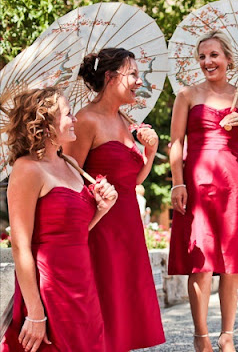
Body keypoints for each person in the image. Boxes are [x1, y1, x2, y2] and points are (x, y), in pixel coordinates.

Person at [63, 48, 165, 351]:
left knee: (123, 306)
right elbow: (69, 176)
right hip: (101, 228)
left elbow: (132, 180)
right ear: (110, 77)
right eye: (132, 73)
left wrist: (150, 149)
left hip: (128, 226)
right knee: (105, 302)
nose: (139, 80)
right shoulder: (85, 121)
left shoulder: (125, 119)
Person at [1, 88, 117, 352]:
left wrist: (102, 208)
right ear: (45, 124)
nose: (75, 119)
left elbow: (76, 232)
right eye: (68, 114)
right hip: (51, 288)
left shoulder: (71, 165)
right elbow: (20, 246)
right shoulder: (27, 169)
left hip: (83, 284)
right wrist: (35, 312)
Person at [168, 30, 238, 352]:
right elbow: (176, 142)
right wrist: (177, 182)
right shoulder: (186, 95)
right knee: (201, 259)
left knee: (232, 262)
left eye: (214, 55)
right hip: (197, 183)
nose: (208, 61)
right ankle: (201, 336)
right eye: (203, 56)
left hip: (234, 183)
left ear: (228, 60)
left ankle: (227, 336)